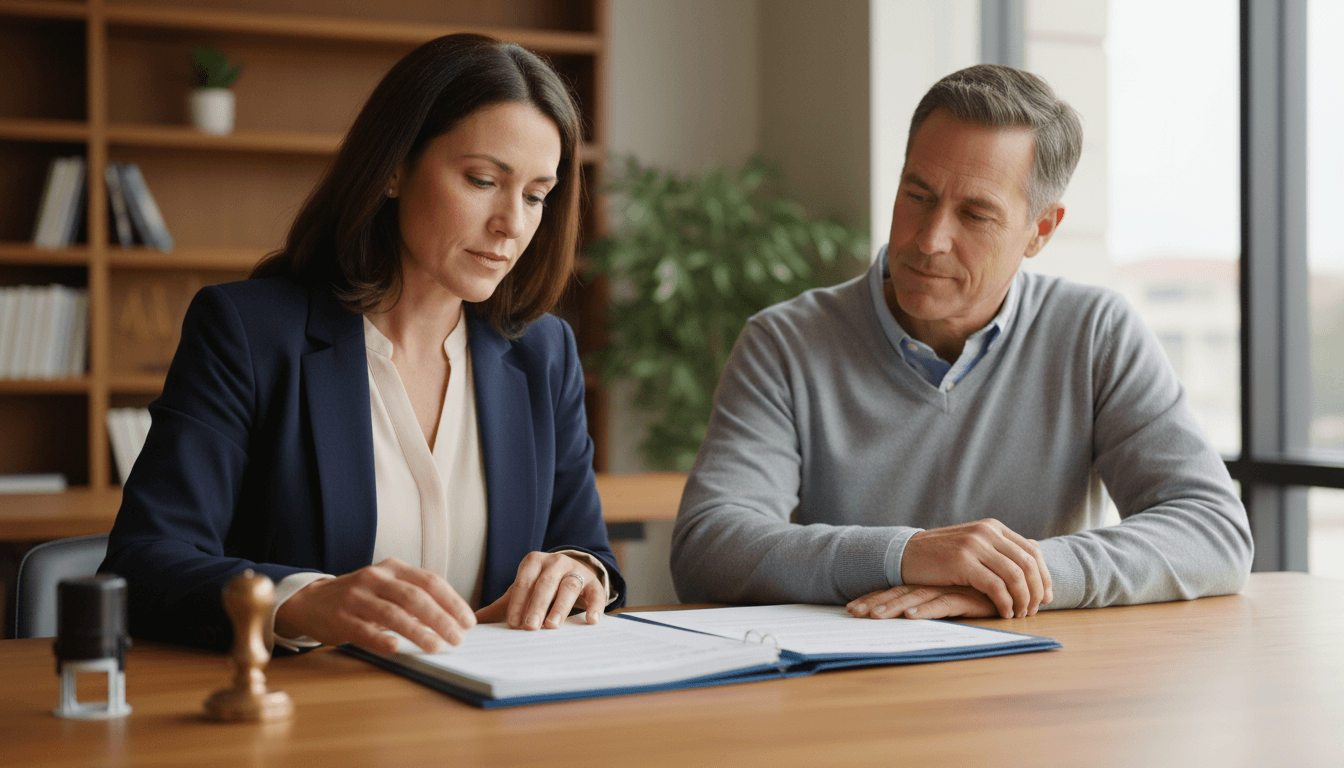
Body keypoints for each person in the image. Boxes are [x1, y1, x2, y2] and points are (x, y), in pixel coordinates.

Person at [101, 34, 624, 654]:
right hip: (313, 720)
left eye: (537, 195)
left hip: (490, 726)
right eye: (483, 180)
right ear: (395, 168)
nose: (512, 223)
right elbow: (143, 562)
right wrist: (301, 600)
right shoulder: (247, 332)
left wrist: (580, 573)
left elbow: (589, 551)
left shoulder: (545, 353)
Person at [671, 64, 1252, 620]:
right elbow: (708, 546)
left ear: (1040, 231)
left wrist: (1018, 579)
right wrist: (905, 555)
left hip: (1040, 688)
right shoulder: (785, 342)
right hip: (852, 690)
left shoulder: (1095, 332)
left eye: (975, 214)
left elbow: (1213, 531)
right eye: (917, 195)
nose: (930, 240)